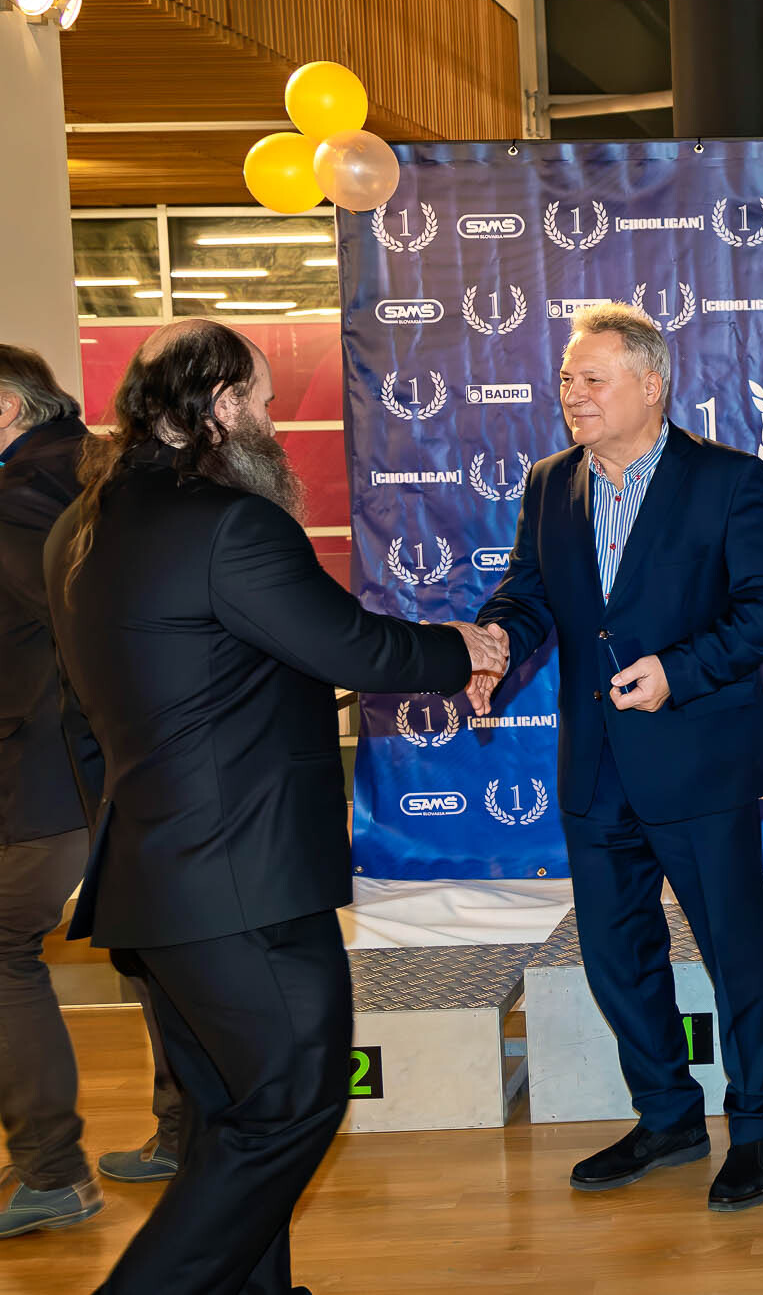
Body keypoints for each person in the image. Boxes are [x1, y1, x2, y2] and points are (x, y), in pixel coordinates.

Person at [43, 320, 507, 1295]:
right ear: (217, 407)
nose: (270, 420)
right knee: (292, 1102)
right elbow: (353, 647)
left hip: (153, 884)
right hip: (241, 880)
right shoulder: (230, 524)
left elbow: (98, 713)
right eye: (257, 399)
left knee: (230, 1116)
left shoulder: (78, 528)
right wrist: (463, 647)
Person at [473, 301, 763, 1211]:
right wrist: (495, 644)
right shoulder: (550, 483)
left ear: (651, 386)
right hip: (595, 765)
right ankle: (667, 1116)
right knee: (618, 957)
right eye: (566, 380)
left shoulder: (727, 479)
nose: (572, 394)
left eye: (593, 378)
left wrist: (679, 671)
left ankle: (757, 1129)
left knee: (736, 950)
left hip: (699, 758)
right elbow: (527, 594)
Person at [0, 344, 185, 1243]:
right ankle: (185, 1135)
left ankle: (50, 1172)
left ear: (4, 408)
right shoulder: (102, 465)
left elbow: (79, 621)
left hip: (54, 771)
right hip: (132, 762)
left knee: (2, 953)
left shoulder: (19, 494)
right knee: (152, 948)